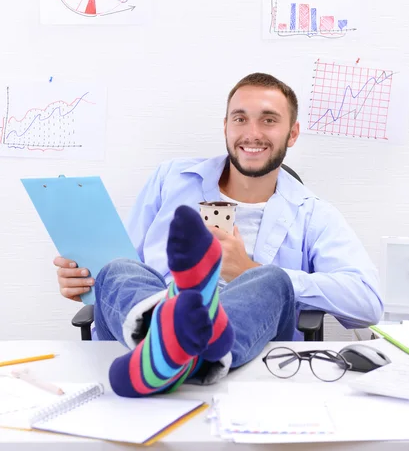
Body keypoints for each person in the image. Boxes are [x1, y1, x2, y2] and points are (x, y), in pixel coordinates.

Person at [54, 72, 383, 397]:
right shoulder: (171, 180)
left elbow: (368, 302)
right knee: (117, 269)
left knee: (272, 281)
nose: (252, 133)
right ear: (225, 125)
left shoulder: (312, 213)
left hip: (244, 351)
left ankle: (173, 354)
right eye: (240, 119)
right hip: (152, 319)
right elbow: (124, 266)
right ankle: (172, 343)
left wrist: (246, 269)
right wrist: (85, 281)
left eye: (269, 120)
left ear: (292, 133)